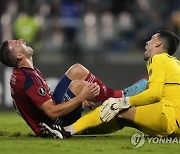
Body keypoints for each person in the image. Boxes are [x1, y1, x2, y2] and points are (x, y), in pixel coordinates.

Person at [40, 30, 180, 138]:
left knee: (115, 107)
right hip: (175, 125)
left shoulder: (159, 59)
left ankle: (66, 130)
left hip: (168, 117)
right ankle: (75, 130)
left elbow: (154, 94)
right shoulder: (175, 63)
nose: (146, 42)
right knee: (123, 118)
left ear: (158, 44)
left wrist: (123, 101)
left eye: (151, 39)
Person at [0, 39, 147, 137]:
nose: (21, 40)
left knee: (77, 70)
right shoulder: (27, 78)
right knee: (79, 86)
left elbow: (39, 103)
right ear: (19, 55)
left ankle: (118, 95)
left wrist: (78, 101)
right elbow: (51, 113)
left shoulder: (23, 73)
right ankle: (120, 97)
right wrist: (80, 98)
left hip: (47, 118)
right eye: (17, 43)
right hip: (52, 125)